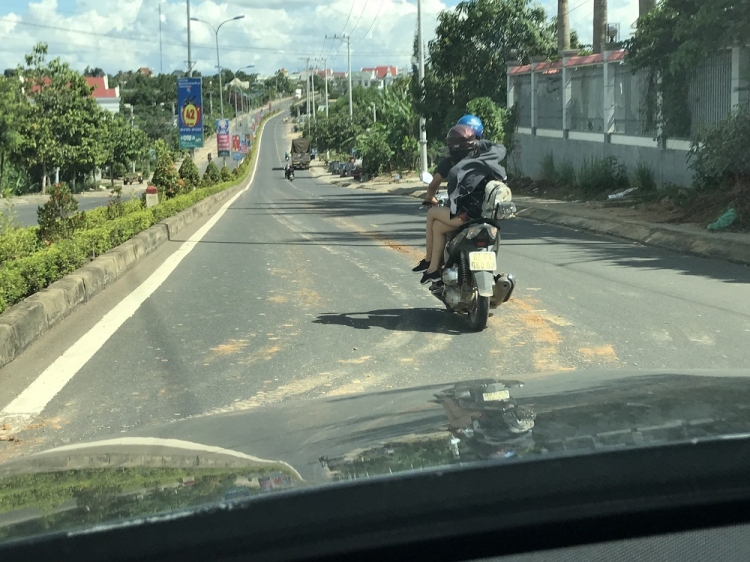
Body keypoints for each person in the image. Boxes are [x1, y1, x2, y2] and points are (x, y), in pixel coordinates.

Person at [413, 124, 507, 285]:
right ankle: (433, 269)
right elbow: (500, 150)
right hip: (486, 217)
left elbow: (444, 194)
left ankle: (429, 262)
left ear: (452, 146)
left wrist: (431, 199)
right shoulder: (487, 160)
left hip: (464, 217)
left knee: (432, 213)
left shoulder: (454, 168)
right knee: (438, 227)